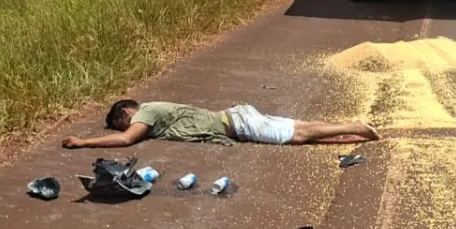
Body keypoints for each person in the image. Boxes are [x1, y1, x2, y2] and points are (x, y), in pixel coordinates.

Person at [61, 99, 380, 149]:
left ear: (127, 112)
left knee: (297, 135)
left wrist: (83, 142)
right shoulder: (156, 110)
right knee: (302, 125)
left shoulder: (146, 111)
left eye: (122, 122)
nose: (126, 127)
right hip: (238, 116)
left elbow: (126, 140)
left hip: (237, 124)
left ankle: (354, 127)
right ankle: (350, 125)